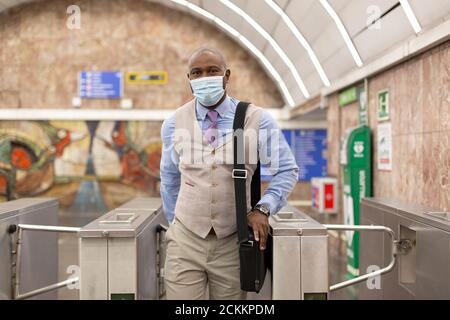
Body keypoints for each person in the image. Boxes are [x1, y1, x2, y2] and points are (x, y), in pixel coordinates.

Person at [160, 47, 298, 300]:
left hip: (233, 242)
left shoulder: (257, 119)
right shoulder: (173, 123)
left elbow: (287, 170)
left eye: (212, 71)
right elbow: (169, 180)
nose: (204, 77)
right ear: (189, 79)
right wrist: (175, 224)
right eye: (196, 72)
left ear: (226, 75)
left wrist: (263, 208)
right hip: (185, 240)